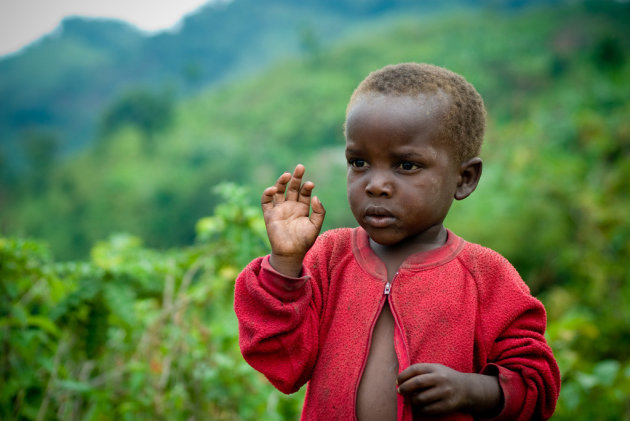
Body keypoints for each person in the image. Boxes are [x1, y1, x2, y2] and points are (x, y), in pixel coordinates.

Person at [234, 63, 560, 420]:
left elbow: (536, 384)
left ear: (464, 178)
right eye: (359, 162)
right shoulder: (328, 260)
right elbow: (282, 365)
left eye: (406, 165)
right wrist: (284, 264)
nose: (375, 184)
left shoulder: (487, 277)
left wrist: (473, 391)